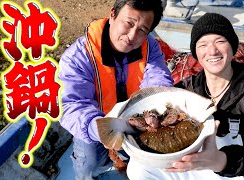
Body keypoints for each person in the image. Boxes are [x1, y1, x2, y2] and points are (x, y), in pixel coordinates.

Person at [126, 13, 244, 179]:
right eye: (203, 44)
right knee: (138, 168)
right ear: (196, 53)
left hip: (230, 169)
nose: (212, 50)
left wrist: (220, 161)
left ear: (233, 48)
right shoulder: (187, 88)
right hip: (189, 162)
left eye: (220, 41)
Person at [58, 0, 173, 179]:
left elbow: (157, 80)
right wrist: (102, 129)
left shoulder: (150, 48)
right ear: (113, 15)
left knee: (150, 156)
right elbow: (73, 104)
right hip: (94, 123)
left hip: (136, 119)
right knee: (89, 166)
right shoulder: (77, 57)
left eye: (142, 30)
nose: (132, 35)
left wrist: (154, 110)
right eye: (129, 23)